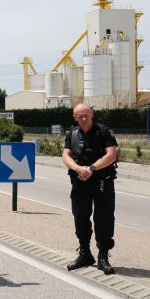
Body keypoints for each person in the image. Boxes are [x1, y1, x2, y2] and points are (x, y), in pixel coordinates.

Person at [63, 103, 119, 275]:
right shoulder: (71, 134)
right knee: (80, 216)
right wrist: (77, 168)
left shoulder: (104, 131)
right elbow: (65, 155)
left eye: (86, 113)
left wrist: (91, 168)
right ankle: (85, 254)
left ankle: (103, 256)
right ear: (75, 117)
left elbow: (111, 154)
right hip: (80, 182)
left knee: (104, 218)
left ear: (92, 114)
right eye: (80, 115)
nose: (83, 117)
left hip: (102, 181)